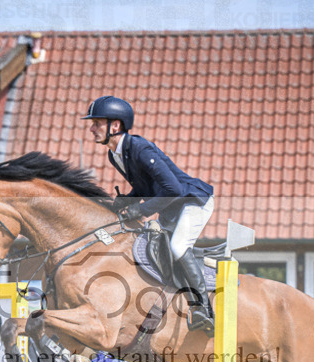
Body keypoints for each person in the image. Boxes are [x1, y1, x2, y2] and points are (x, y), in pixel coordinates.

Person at [83, 96, 216, 335]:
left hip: (192, 201)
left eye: (97, 123)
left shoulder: (140, 148)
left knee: (177, 247)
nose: (91, 128)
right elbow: (148, 187)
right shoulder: (115, 155)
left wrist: (140, 209)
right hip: (171, 207)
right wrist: (129, 198)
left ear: (115, 126)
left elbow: (173, 189)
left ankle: (203, 308)